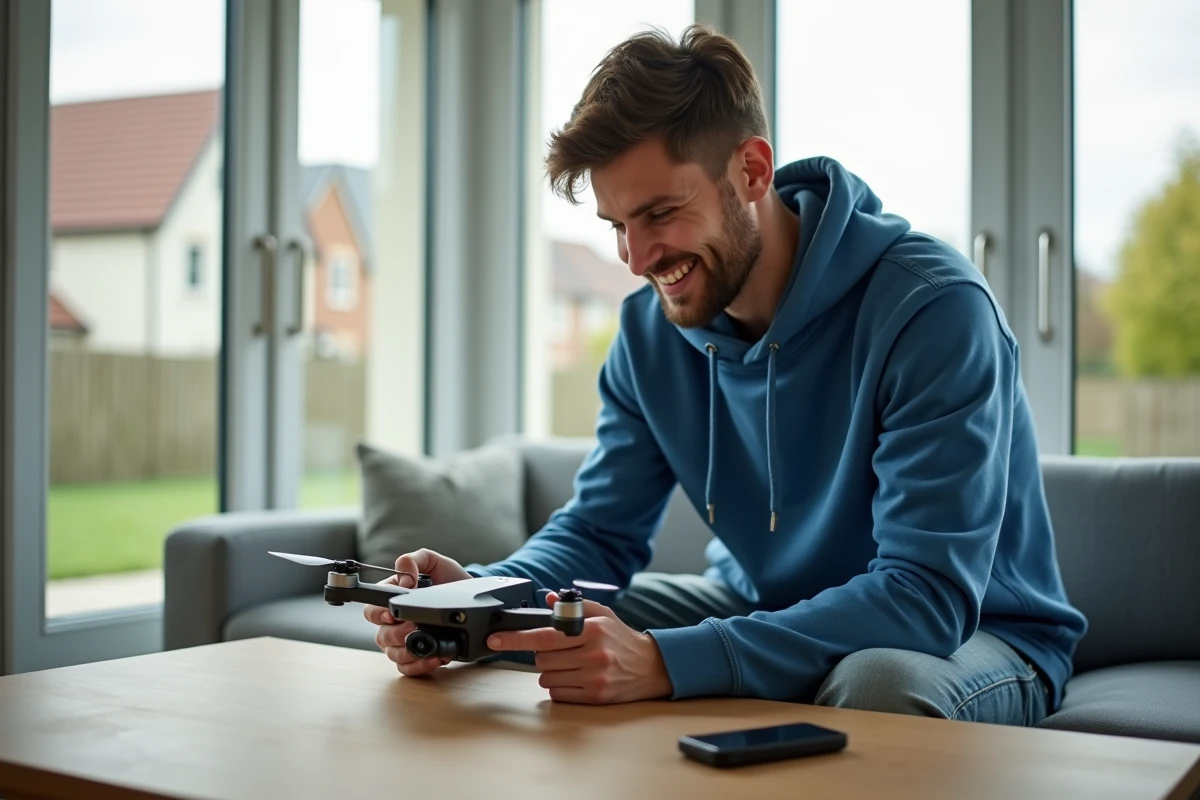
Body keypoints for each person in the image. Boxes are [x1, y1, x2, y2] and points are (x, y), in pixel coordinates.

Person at [366, 24, 1087, 724]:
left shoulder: (933, 313)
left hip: (977, 636)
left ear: (751, 170)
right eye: (618, 225)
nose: (638, 258)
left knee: (876, 682)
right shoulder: (650, 332)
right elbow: (597, 535)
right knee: (550, 627)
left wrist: (669, 662)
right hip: (762, 608)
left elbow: (924, 596)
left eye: (661, 214)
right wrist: (482, 597)